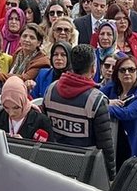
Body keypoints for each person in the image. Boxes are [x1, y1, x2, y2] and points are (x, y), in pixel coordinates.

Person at [43, 42, 117, 179]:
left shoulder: (50, 90)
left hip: (55, 163)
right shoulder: (97, 99)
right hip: (85, 169)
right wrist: (111, 176)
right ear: (93, 69)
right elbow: (105, 144)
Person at [0, 76, 51, 141]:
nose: (11, 113)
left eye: (16, 108)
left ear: (23, 101)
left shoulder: (41, 121)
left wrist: (24, 146)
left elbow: (50, 149)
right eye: (6, 107)